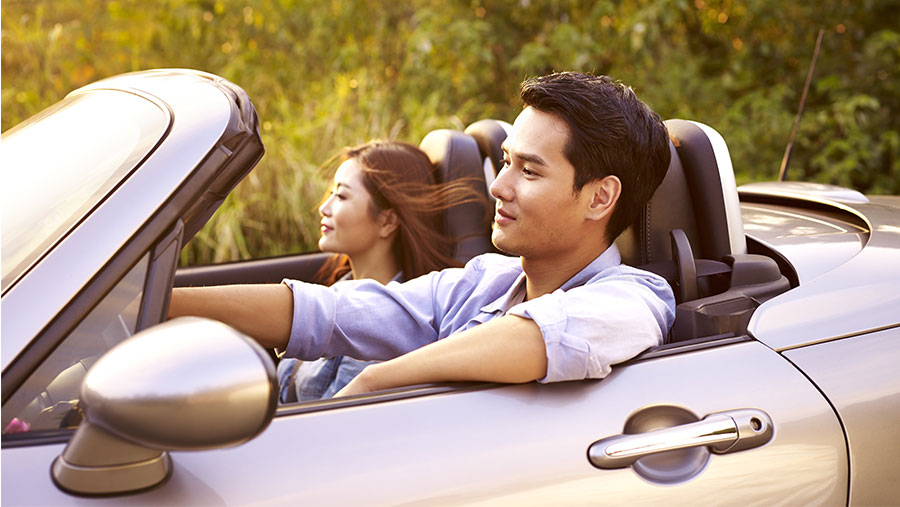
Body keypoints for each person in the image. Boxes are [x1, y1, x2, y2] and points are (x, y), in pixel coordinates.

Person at [169, 72, 676, 398]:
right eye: (505, 163)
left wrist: (372, 383)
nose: (498, 186)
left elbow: (544, 333)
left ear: (599, 198)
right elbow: (330, 312)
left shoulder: (635, 298)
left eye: (530, 171)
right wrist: (154, 304)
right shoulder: (482, 282)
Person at [278, 140, 486, 402]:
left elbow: (332, 420)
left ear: (387, 221)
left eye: (341, 196)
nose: (324, 207)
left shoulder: (383, 336)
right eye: (331, 193)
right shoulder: (338, 289)